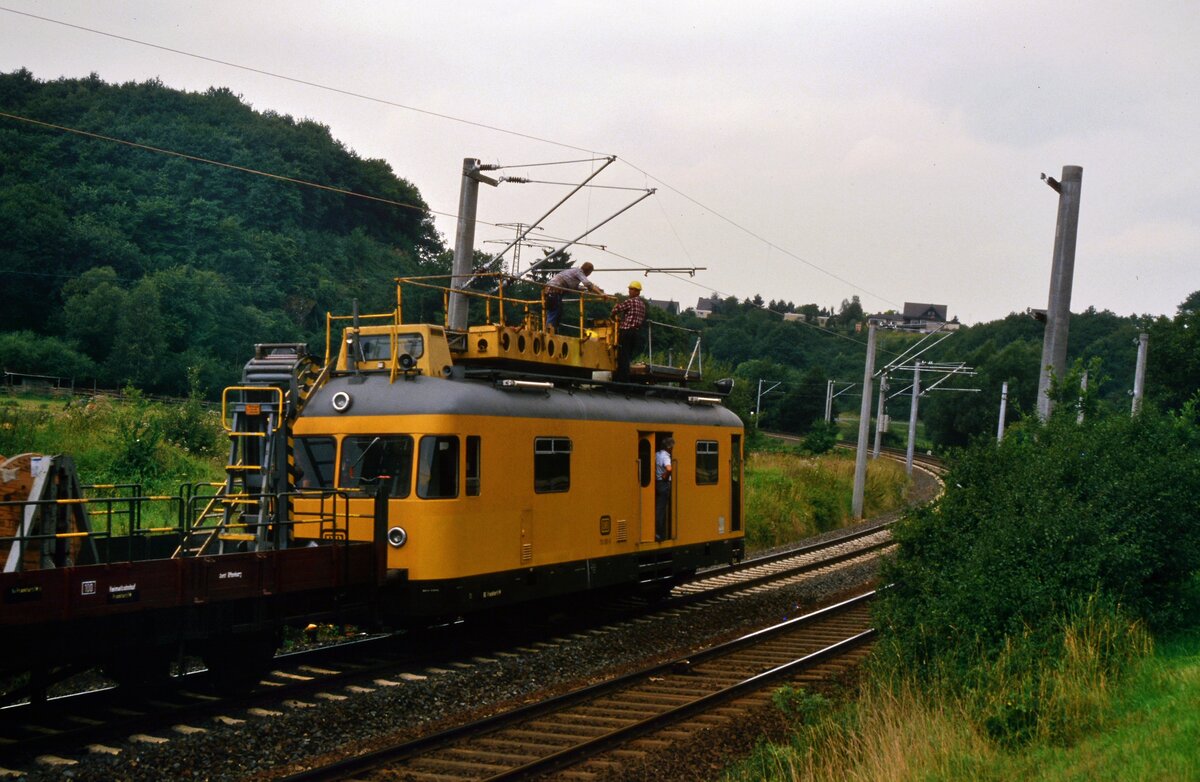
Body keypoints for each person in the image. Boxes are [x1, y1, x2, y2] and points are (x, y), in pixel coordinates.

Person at [545, 262, 603, 334]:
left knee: (557, 311)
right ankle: (549, 331)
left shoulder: (574, 273)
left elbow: (575, 287)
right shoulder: (579, 272)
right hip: (554, 290)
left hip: (553, 291)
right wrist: (600, 294)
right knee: (554, 311)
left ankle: (553, 330)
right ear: (588, 271)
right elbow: (587, 283)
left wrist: (590, 289)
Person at [610, 280, 646, 381]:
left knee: (622, 355)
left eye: (632, 289)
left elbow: (616, 310)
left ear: (637, 292)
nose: (630, 291)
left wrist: (613, 314)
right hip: (636, 333)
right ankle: (626, 376)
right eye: (630, 289)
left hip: (626, 331)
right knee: (628, 355)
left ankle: (622, 378)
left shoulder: (630, 301)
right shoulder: (642, 305)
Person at [655, 436, 674, 541]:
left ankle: (658, 532)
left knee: (658, 508)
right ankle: (660, 534)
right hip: (664, 484)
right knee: (661, 510)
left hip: (657, 483)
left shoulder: (657, 455)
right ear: (669, 447)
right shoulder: (666, 456)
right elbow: (669, 468)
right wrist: (666, 476)